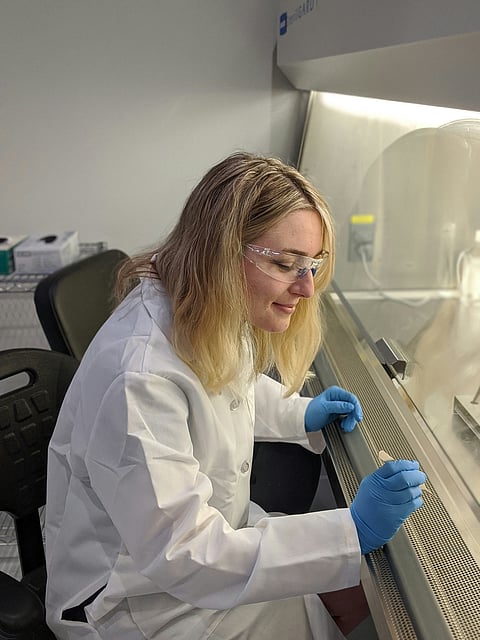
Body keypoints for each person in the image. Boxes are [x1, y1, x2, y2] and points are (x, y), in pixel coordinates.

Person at [45, 152, 426, 640]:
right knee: (341, 604)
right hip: (136, 600)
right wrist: (351, 531)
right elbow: (183, 551)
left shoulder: (198, 299)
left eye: (311, 264)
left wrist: (298, 412)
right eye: (287, 264)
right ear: (220, 253)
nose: (306, 288)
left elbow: (228, 381)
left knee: (341, 596)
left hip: (192, 554)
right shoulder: (138, 376)